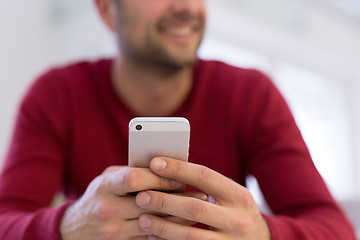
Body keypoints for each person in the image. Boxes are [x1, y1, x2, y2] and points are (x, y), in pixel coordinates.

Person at [0, 0, 356, 239]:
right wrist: (67, 226)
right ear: (108, 10)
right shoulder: (55, 94)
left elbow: (336, 229)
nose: (187, 7)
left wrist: (262, 233)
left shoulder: (252, 94)